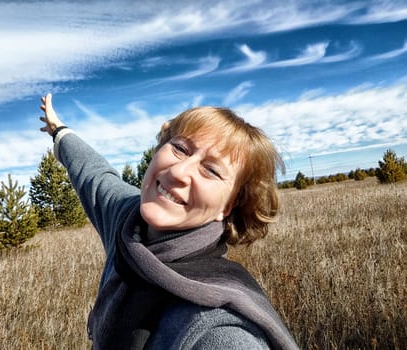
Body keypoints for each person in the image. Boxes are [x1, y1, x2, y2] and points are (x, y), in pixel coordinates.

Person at [39, 93, 299, 350]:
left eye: (211, 170)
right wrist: (59, 131)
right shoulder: (126, 222)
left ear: (228, 206)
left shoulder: (219, 328)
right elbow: (94, 173)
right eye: (180, 148)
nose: (178, 172)